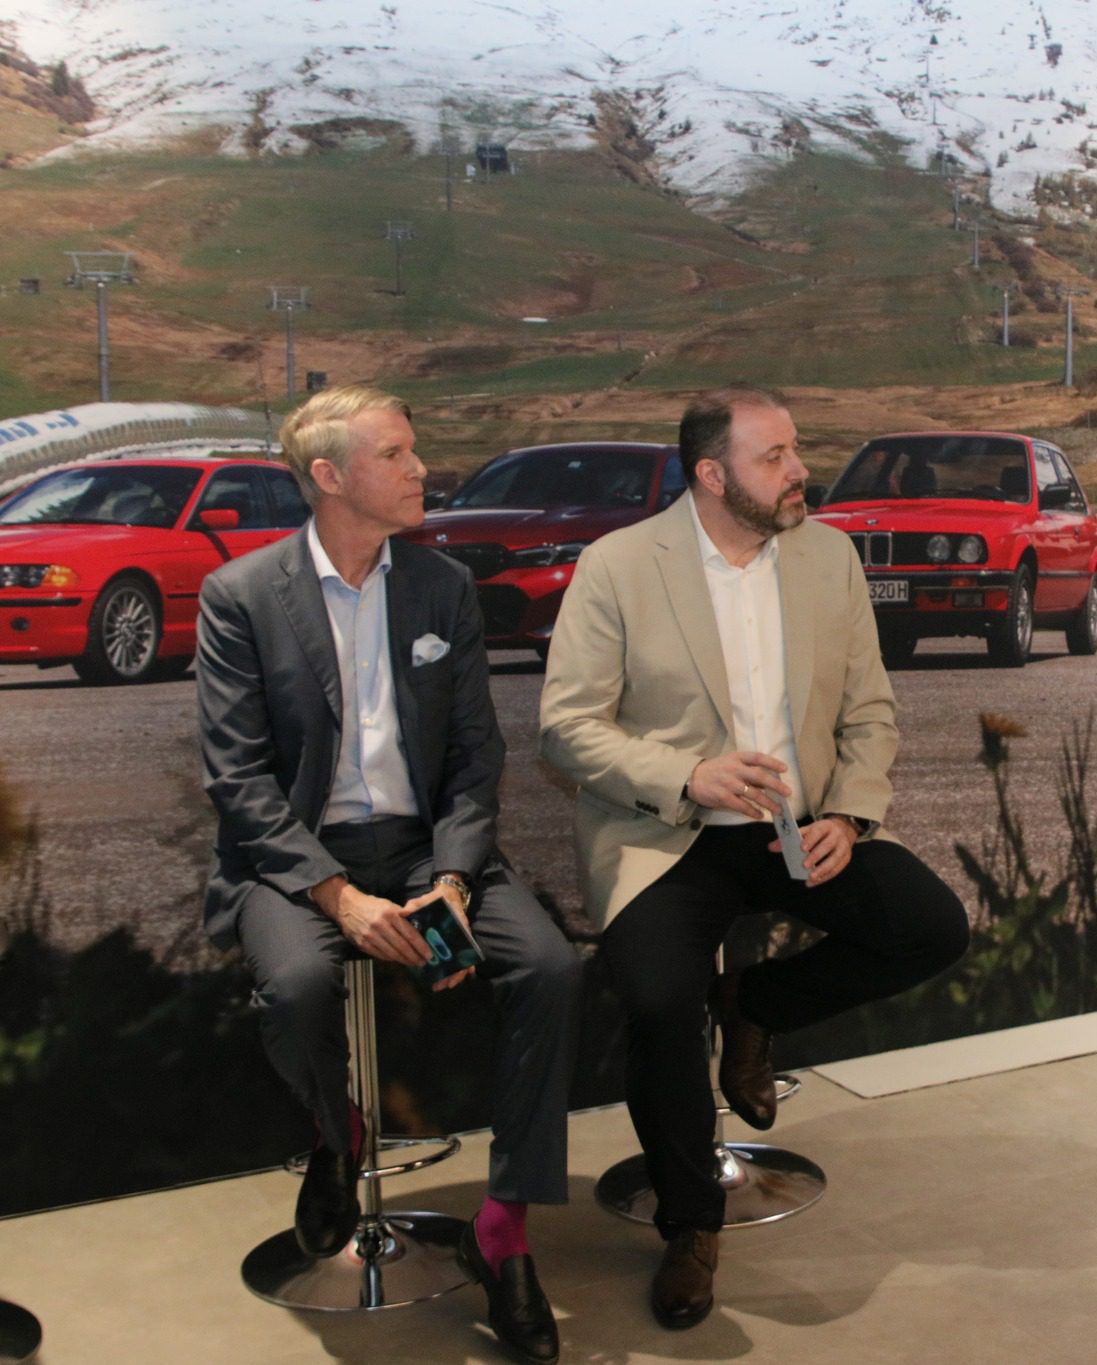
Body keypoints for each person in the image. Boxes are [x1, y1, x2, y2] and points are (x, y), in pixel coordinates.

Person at [538, 385, 968, 1330]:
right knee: (658, 1002)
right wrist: (688, 775)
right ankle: (691, 1223)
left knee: (930, 927)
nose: (799, 470)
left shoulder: (827, 556)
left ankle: (755, 1005)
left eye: (794, 450)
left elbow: (871, 712)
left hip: (800, 825)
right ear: (711, 473)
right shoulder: (619, 565)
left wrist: (850, 814)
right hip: (668, 834)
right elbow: (566, 729)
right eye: (774, 457)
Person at [197, 386, 578, 1365]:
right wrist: (338, 896)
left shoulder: (441, 586)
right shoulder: (242, 595)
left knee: (549, 967)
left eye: (415, 451)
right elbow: (238, 780)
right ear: (329, 476)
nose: (421, 470)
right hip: (297, 860)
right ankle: (340, 1132)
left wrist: (451, 881)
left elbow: (474, 756)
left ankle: (505, 1226)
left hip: (426, 848)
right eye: (397, 454)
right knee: (297, 985)